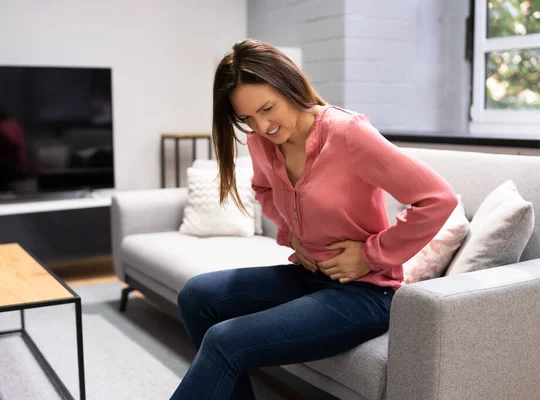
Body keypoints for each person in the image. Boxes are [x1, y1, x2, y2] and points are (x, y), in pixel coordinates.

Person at [170, 39, 458, 400]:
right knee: (197, 295)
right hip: (310, 276)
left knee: (224, 340)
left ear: (289, 85)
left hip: (365, 295)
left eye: (267, 108)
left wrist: (371, 254)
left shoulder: (347, 133)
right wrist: (292, 237)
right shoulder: (262, 142)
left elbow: (437, 198)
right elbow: (262, 189)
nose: (261, 126)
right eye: (247, 119)